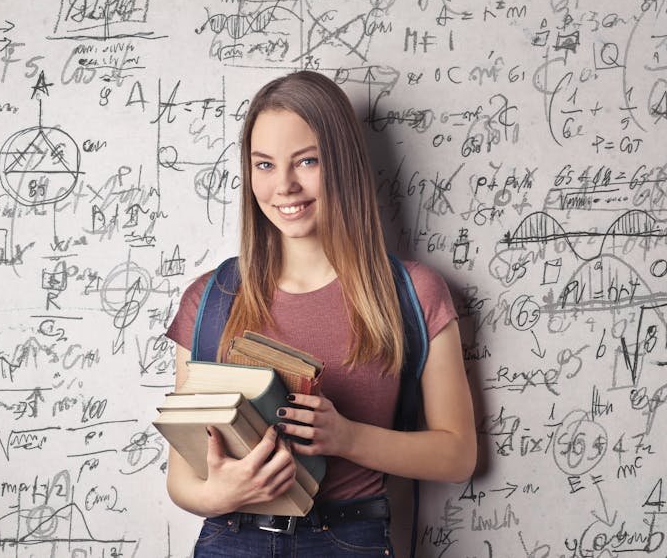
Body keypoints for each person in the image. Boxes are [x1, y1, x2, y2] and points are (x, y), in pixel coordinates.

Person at [163, 70, 477, 556]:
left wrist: (347, 437)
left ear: (344, 164)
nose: (284, 185)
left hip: (349, 540)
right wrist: (219, 494)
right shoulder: (211, 297)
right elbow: (182, 477)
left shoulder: (413, 293)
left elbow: (458, 455)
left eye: (306, 161)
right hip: (229, 538)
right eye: (264, 165)